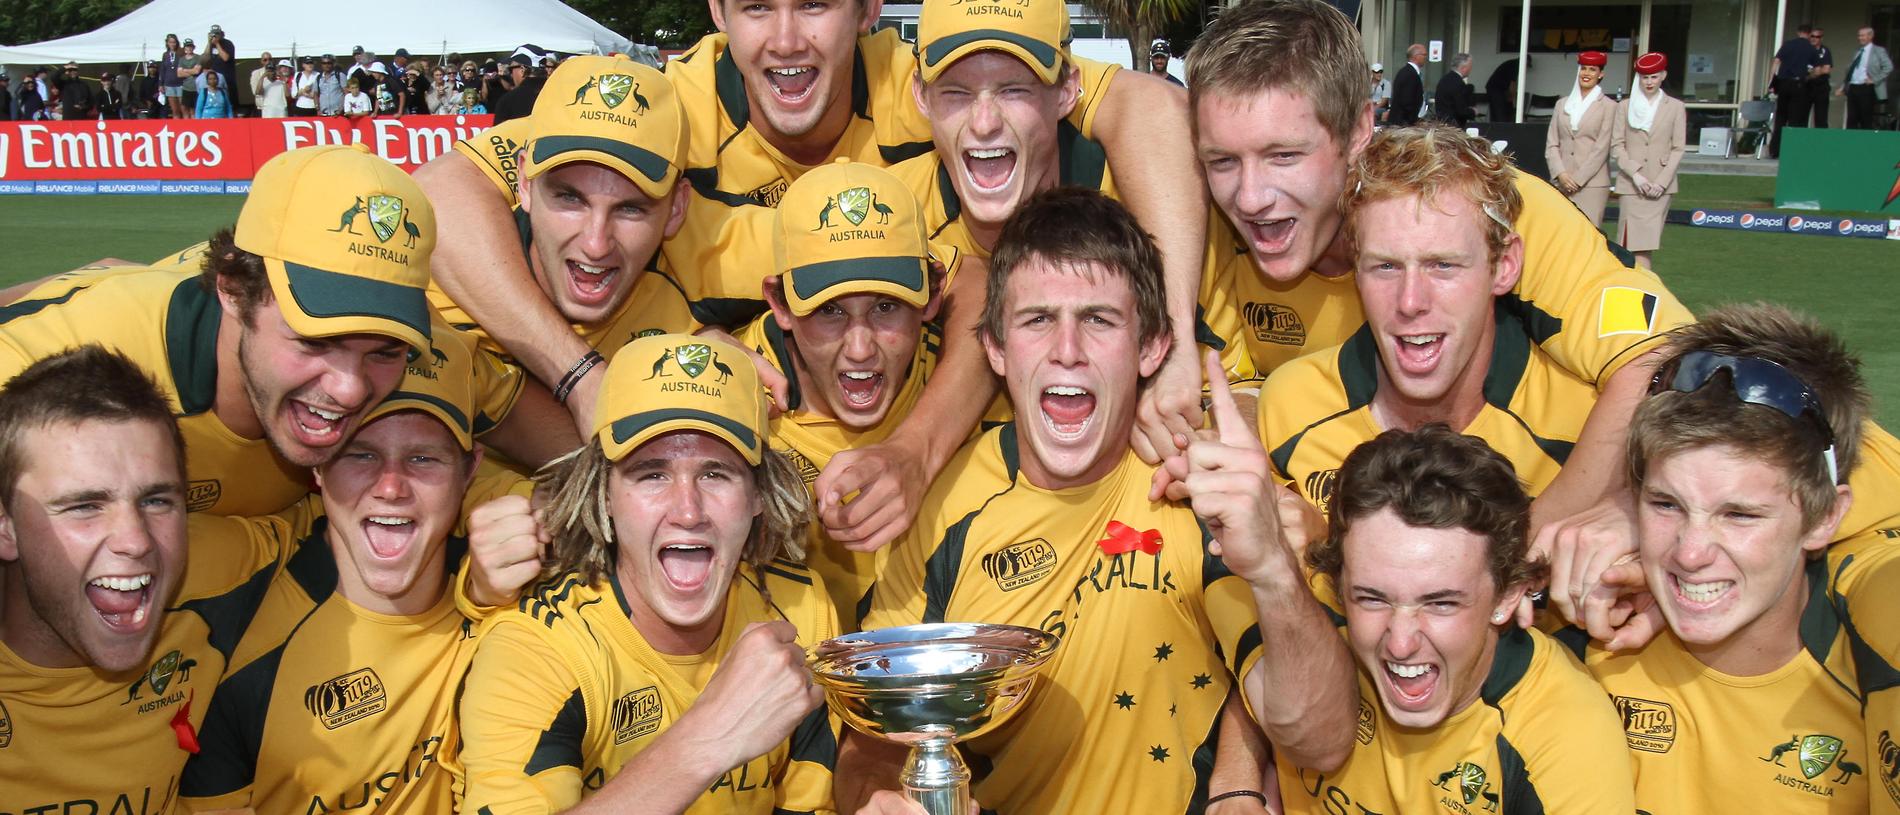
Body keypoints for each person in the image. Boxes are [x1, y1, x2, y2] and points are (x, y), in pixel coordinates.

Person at [848, 187, 1357, 813]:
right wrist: (874, 799)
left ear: (1151, 347)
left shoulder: (1205, 498)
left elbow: (1323, 739)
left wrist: (1277, 572)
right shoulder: (941, 507)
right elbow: (872, 741)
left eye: (1098, 319)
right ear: (996, 348)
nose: (1068, 349)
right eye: (1037, 320)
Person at [1184, 0, 1692, 536]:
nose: (1250, 196)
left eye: (1284, 155)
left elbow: (1664, 362)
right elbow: (1231, 388)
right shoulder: (1207, 235)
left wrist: (1541, 545)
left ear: (1359, 128)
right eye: (1222, 161)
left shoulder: (1477, 205)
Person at [0, 144, 561, 517]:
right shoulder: (70, 364)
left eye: (385, 349)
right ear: (233, 292)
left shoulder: (427, 347)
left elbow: (559, 440)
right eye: (316, 340)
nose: (350, 388)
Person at [453, 333, 839, 813]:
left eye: (716, 473)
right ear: (605, 495)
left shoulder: (801, 607)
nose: (688, 511)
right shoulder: (535, 648)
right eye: (651, 474)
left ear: (759, 495)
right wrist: (705, 740)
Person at [176, 342, 527, 812]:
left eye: (423, 458)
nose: (390, 487)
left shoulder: (513, 592)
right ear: (316, 466)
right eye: (360, 456)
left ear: (470, 472)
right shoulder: (240, 637)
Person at [1577, 304, 1895, 814]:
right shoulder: (1582, 636)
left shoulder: (1875, 675)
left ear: (1824, 518)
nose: (1691, 552)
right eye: (1666, 504)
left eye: (1740, 515)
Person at [1283, 425, 1636, 814]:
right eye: (1372, 599)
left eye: (1440, 604)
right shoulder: (1307, 625)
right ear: (1337, 585)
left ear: (1507, 596)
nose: (1400, 643)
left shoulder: (1567, 740)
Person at [1258, 125, 1603, 512]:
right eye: (1385, 266)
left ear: (1504, 265)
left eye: (1443, 265)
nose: (1410, 301)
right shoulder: (1290, 405)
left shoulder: (1587, 422)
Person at [0, 346, 276, 808]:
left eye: (156, 500)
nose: (136, 540)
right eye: (84, 506)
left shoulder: (215, 575)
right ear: (6, 527)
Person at [734, 159, 959, 616]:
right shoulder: (729, 396)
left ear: (933, 294)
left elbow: (983, 281)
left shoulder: (964, 364)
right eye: (829, 311)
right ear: (780, 303)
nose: (859, 349)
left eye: (886, 307)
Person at [1613, 52, 1685, 270]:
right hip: (1632, 184)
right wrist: (1635, 175)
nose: (1649, 82)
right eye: (1645, 77)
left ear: (1663, 75)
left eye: (1654, 77)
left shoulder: (1675, 107)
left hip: (1659, 187)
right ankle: (1633, 291)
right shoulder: (1625, 107)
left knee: (1644, 245)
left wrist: (1661, 182)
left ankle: (1644, 292)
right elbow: (1617, 145)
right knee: (1626, 244)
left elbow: (1678, 148)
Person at [1546, 51, 1615, 225]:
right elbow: (1552, 143)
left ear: (1601, 74)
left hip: (1592, 185)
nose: (1586, 73)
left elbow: (1602, 148)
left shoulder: (1609, 106)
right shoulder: (1562, 104)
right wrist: (1561, 174)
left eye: (1592, 69)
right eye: (1583, 69)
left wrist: (1577, 180)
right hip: (1561, 183)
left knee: (1588, 234)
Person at [1768, 23, 1818, 159]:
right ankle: (1792, 150)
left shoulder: (1787, 45)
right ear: (1809, 34)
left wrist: (1772, 82)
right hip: (1799, 85)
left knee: (1781, 118)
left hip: (1784, 84)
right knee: (1796, 118)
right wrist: (1808, 77)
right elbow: (1815, 71)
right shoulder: (1811, 49)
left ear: (1798, 32)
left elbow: (1776, 62)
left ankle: (1775, 150)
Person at [1837, 26, 1893, 130]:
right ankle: (1850, 141)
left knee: (1865, 117)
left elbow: (1888, 67)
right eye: (1859, 35)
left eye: (1862, 35)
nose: (1860, 38)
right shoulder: (1858, 51)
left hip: (1866, 87)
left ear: (1870, 36)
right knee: (1852, 117)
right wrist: (1843, 86)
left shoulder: (1878, 50)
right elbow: (1852, 71)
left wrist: (1875, 79)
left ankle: (1866, 143)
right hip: (1853, 87)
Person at [1389, 43, 1428, 126]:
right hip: (1403, 123)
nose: (1426, 58)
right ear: (1416, 56)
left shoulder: (1406, 72)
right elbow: (1407, 101)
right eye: (1424, 55)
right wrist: (1412, 120)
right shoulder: (1410, 74)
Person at [1434, 53, 1476, 127]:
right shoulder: (1458, 83)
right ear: (1464, 67)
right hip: (1453, 125)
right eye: (1470, 66)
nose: (1471, 69)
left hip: (1441, 123)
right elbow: (1460, 110)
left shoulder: (1444, 79)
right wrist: (1473, 112)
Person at [204, 24, 238, 106]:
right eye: (213, 34)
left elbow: (225, 58)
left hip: (227, 77)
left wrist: (217, 44)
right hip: (214, 78)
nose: (215, 36)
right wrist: (209, 43)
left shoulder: (228, 44)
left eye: (217, 34)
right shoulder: (211, 45)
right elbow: (205, 57)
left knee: (228, 101)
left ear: (222, 34)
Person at [1807, 27, 1834, 127]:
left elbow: (1826, 69)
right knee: (1802, 115)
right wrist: (1817, 71)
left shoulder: (1825, 50)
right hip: (1807, 86)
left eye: (1817, 36)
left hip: (1821, 86)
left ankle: (1820, 140)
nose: (1814, 38)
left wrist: (1811, 73)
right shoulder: (1805, 50)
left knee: (1821, 117)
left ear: (1821, 38)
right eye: (1812, 36)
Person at [1485, 55, 1522, 122]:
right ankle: (1500, 127)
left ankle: (1495, 126)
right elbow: (1512, 83)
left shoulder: (1511, 63)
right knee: (1499, 110)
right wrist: (1511, 97)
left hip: (1495, 87)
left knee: (1496, 110)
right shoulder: (1516, 65)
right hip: (1495, 88)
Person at [161, 33, 186, 119]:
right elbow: (163, 70)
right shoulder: (165, 55)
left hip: (181, 83)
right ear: (167, 43)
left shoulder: (181, 52)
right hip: (169, 84)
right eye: (170, 42)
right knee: (174, 110)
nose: (172, 44)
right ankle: (177, 128)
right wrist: (161, 84)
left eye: (174, 42)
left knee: (183, 108)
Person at [176, 38, 203, 117]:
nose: (189, 48)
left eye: (190, 46)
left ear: (193, 47)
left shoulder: (198, 57)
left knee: (194, 110)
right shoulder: (182, 59)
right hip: (186, 87)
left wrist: (184, 70)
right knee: (185, 109)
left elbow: (197, 71)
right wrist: (191, 71)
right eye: (187, 47)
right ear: (184, 48)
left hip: (196, 88)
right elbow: (179, 74)